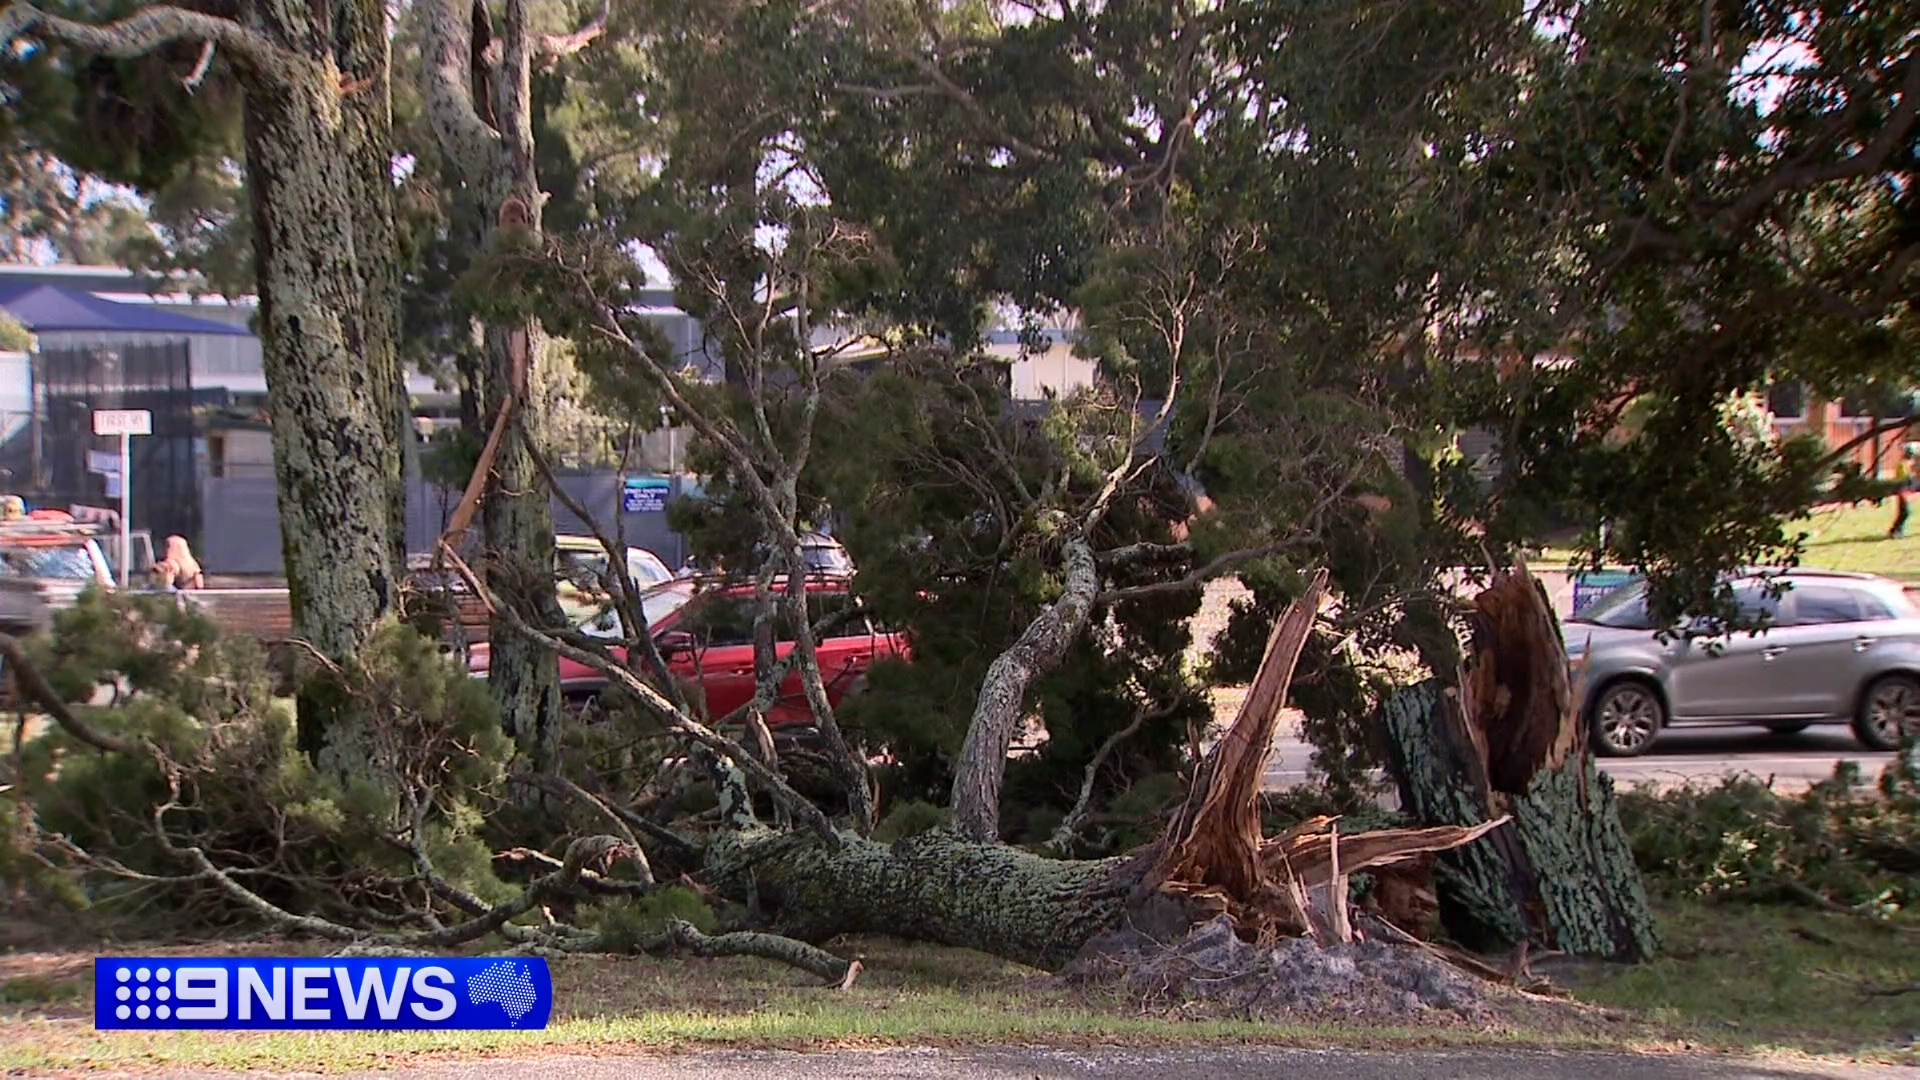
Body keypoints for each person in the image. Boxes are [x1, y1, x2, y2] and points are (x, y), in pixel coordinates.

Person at [1890, 444, 1919, 539]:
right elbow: (1903, 479)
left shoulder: (1910, 463)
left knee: (1904, 512)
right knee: (1905, 512)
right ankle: (1897, 531)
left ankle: (1895, 530)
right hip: (1903, 490)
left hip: (1906, 489)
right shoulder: (1902, 464)